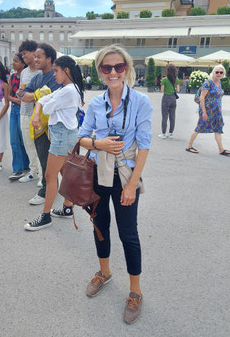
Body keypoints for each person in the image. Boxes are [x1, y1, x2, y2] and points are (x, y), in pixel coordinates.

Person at [78, 44, 152, 324]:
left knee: (128, 234)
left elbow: (144, 146)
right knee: (100, 226)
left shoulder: (140, 102)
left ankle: (135, 291)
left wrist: (133, 185)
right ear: (99, 70)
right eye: (106, 67)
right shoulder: (96, 103)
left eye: (118, 67)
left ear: (127, 69)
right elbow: (82, 137)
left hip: (124, 176)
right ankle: (104, 272)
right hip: (97, 174)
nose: (112, 72)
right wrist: (99, 143)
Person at [24, 56, 84, 231]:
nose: (54, 74)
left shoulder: (68, 91)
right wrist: (39, 107)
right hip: (64, 134)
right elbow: (43, 100)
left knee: (50, 177)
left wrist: (41, 105)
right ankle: (67, 208)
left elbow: (47, 106)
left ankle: (45, 216)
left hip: (62, 135)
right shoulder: (70, 88)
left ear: (66, 71)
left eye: (56, 70)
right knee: (64, 173)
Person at [20, 43, 62, 205]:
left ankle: (48, 191)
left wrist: (34, 96)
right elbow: (24, 95)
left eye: (39, 57)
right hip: (39, 125)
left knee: (56, 163)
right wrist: (36, 94)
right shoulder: (37, 77)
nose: (35, 59)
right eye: (35, 56)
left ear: (49, 59)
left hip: (54, 126)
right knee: (44, 160)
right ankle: (49, 189)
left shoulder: (56, 76)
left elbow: (53, 99)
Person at [186, 64, 230, 156]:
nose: (218, 74)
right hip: (207, 110)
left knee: (218, 129)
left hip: (217, 112)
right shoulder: (208, 82)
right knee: (199, 127)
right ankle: (189, 146)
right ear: (213, 72)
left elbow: (218, 98)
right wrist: (204, 112)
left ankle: (221, 149)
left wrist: (220, 110)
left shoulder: (219, 83)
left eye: (220, 72)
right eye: (216, 72)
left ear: (223, 74)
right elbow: (202, 98)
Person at [16, 40, 42, 184]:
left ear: (34, 53)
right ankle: (34, 171)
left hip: (38, 114)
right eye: (22, 54)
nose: (23, 57)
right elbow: (21, 91)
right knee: (28, 144)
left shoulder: (41, 71)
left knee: (40, 146)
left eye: (25, 54)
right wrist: (20, 92)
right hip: (24, 112)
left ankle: (44, 175)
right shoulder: (24, 72)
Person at [8, 53, 30, 181]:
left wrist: (15, 99)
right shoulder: (12, 76)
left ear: (23, 63)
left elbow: (22, 99)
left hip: (24, 109)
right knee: (14, 140)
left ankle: (26, 165)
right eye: (13, 61)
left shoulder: (26, 76)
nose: (13, 63)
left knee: (24, 140)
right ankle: (18, 169)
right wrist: (16, 100)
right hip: (14, 110)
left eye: (16, 61)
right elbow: (8, 94)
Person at [158, 64, 180, 138]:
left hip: (166, 98)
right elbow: (178, 90)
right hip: (173, 98)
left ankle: (163, 133)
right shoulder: (176, 79)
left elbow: (162, 90)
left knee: (164, 117)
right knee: (172, 116)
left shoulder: (164, 79)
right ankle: (170, 133)